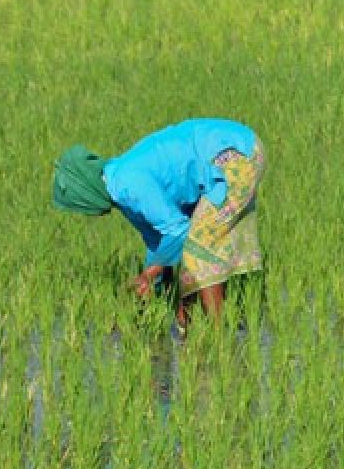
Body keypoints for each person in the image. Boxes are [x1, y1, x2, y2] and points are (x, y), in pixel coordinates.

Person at [52, 118, 265, 326]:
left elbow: (178, 230)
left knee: (201, 249)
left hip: (233, 155)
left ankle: (218, 338)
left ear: (86, 194)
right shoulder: (121, 190)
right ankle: (187, 327)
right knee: (189, 253)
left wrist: (148, 275)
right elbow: (160, 243)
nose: (90, 215)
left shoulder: (127, 184)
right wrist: (153, 286)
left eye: (81, 206)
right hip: (227, 152)